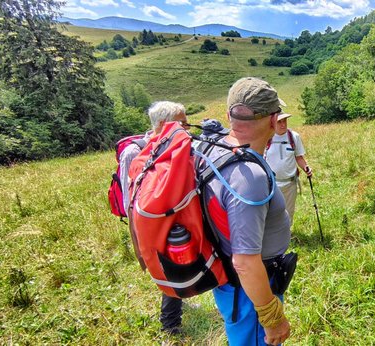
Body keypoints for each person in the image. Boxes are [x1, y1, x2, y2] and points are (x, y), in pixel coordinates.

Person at [204, 77, 292, 345]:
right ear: (273, 118)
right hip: (249, 292)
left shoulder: (215, 150)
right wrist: (272, 317)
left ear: (229, 114)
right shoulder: (249, 176)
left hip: (233, 285)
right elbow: (244, 262)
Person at [118, 101, 189, 335]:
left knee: (176, 266)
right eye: (182, 123)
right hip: (150, 222)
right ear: (162, 124)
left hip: (172, 216)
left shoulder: (175, 145)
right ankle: (170, 325)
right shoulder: (134, 152)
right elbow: (132, 197)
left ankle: (180, 299)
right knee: (167, 268)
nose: (187, 129)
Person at [265, 113, 312, 220]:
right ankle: (274, 235)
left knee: (288, 213)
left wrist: (306, 168)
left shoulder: (294, 137)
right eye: (279, 121)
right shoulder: (266, 137)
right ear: (273, 122)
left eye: (285, 121)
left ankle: (287, 235)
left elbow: (299, 157)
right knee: (272, 214)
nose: (283, 124)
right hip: (272, 184)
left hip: (290, 184)